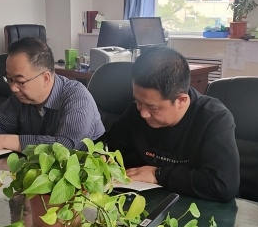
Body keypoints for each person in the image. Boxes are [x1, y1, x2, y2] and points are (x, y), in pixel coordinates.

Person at [101, 46, 239, 202]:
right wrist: (101, 157)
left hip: (194, 207)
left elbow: (223, 185)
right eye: (138, 102)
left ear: (181, 100)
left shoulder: (213, 119)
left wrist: (157, 174)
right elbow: (108, 145)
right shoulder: (136, 111)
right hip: (141, 201)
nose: (143, 113)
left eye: (153, 108)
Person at [0, 37, 103, 152]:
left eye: (20, 81)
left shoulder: (77, 97)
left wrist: (5, 141)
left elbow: (66, 146)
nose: (13, 88)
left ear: (45, 78)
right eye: (9, 79)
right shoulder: (21, 98)